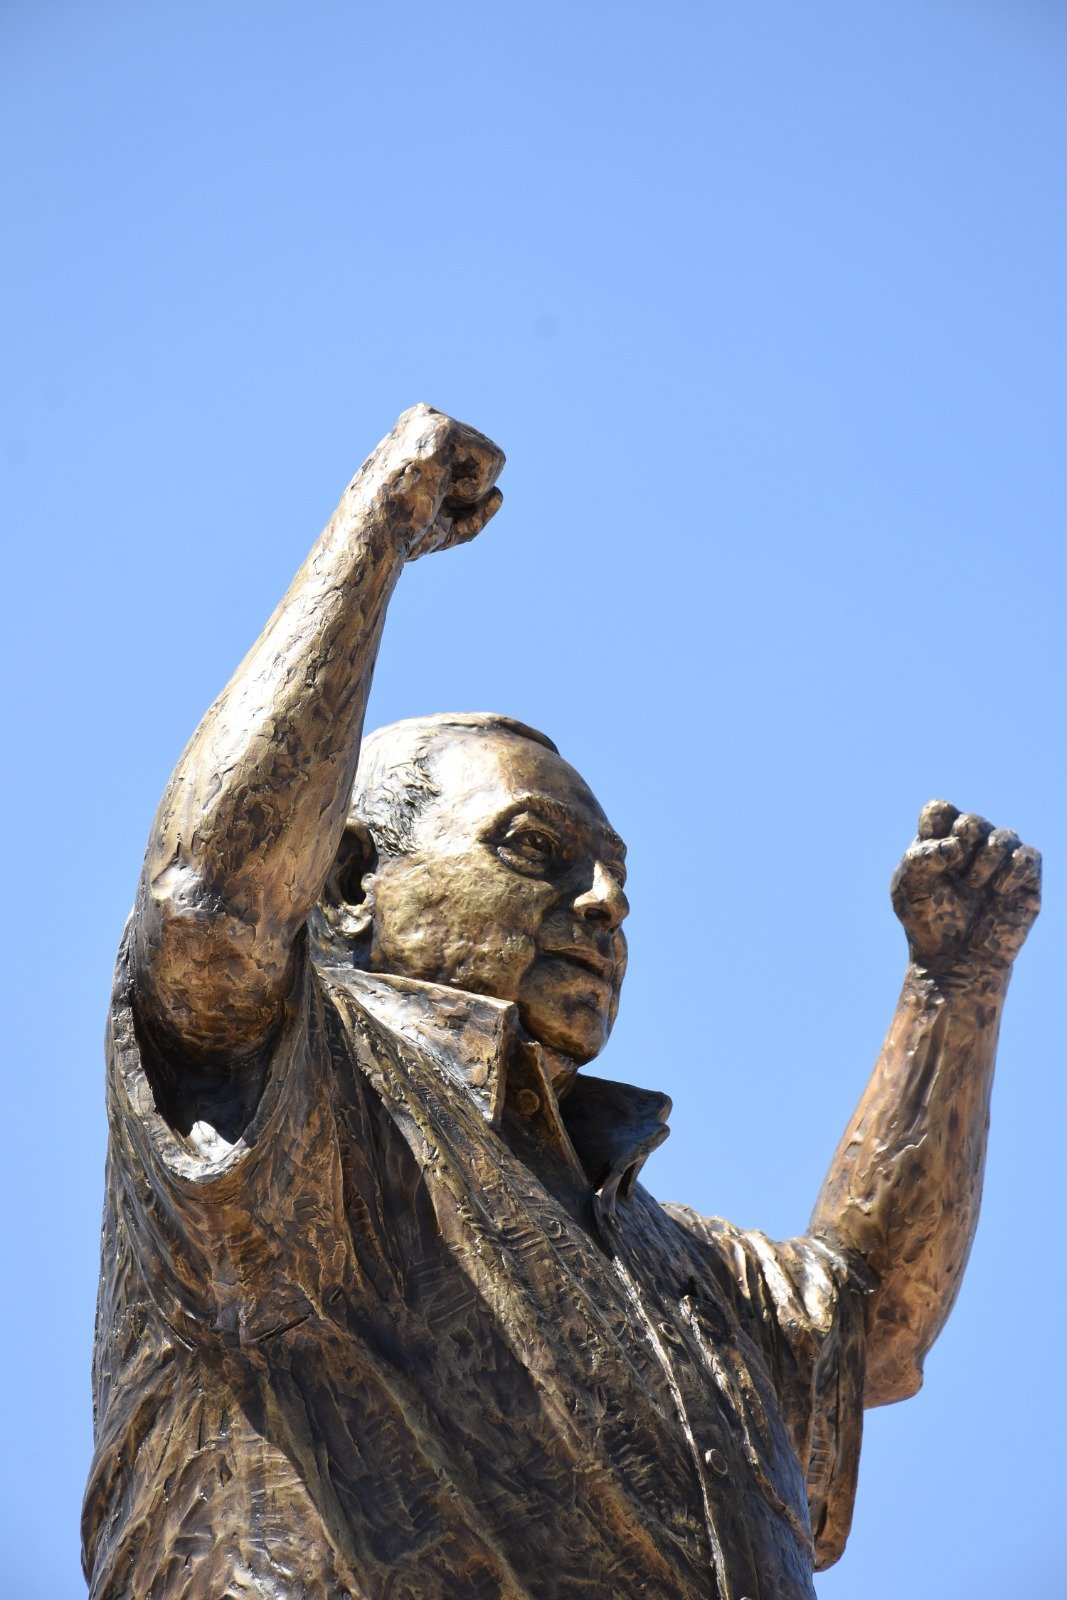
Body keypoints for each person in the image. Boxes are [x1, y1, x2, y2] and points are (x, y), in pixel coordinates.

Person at [83, 407, 1040, 1600]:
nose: (602, 903)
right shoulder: (297, 1102)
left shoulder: (673, 1263)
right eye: (534, 847)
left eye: (616, 878)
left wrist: (954, 984)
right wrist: (379, 528)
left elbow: (870, 1325)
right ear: (348, 880)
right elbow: (208, 907)